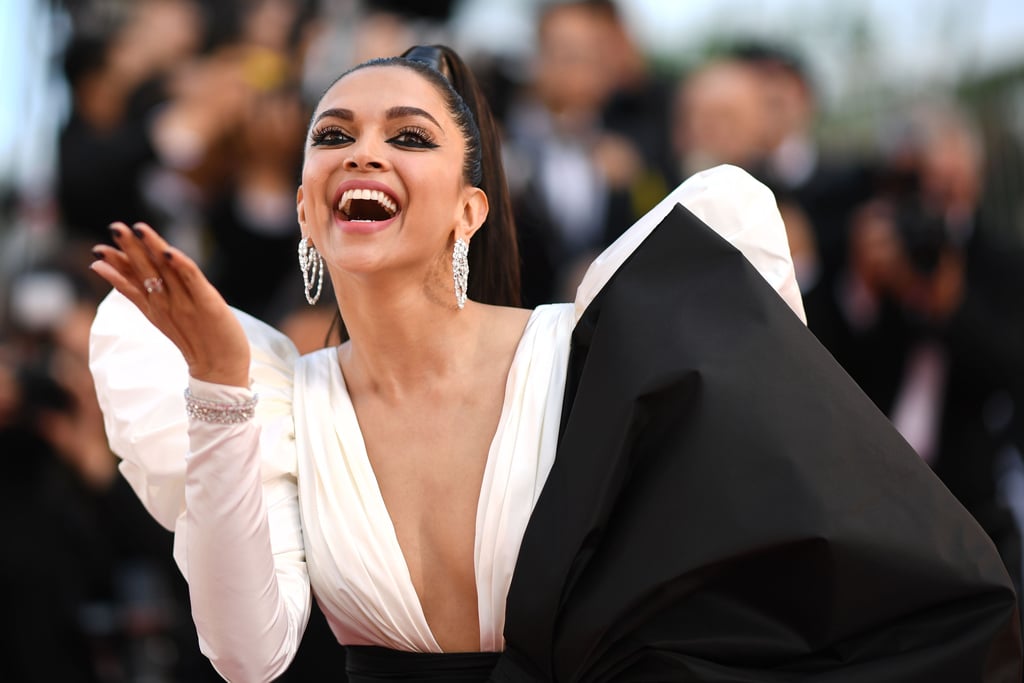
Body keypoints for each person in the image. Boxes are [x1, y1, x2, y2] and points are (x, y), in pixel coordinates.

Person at [88, 45, 1020, 681]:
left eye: (408, 137)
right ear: (304, 209)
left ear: (470, 210)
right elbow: (248, 655)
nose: (361, 151)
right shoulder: (283, 404)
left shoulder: (590, 355)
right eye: (333, 135)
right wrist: (216, 382)